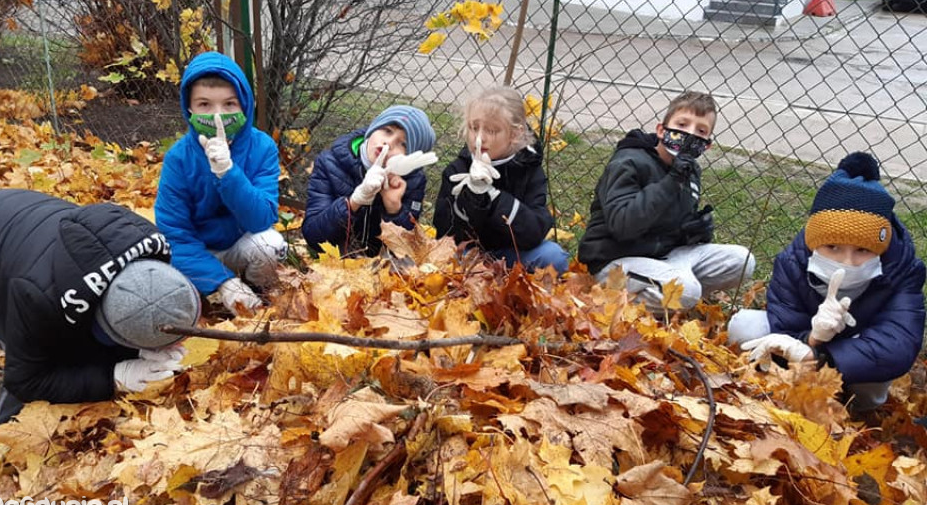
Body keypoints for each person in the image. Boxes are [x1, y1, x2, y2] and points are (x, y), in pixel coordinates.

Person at [0, 189, 202, 477]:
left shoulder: (151, 248)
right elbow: (26, 379)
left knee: (75, 348)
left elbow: (151, 302)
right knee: (35, 353)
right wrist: (113, 377)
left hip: (12, 223)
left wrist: (152, 345)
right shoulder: (38, 296)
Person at [728, 152, 925, 413]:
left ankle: (855, 413)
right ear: (814, 243)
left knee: (873, 383)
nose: (848, 261)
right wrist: (813, 338)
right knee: (746, 326)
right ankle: (765, 392)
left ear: (882, 247)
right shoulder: (793, 262)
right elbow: (785, 324)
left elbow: (897, 343)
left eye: (863, 250)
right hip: (805, 351)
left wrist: (820, 356)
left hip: (853, 357)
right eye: (832, 246)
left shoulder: (902, 269)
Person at [576, 90, 753, 310]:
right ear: (661, 130)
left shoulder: (690, 170)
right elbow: (622, 226)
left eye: (700, 130)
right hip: (615, 260)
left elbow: (667, 224)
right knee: (687, 291)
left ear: (707, 144)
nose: (690, 134)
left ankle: (666, 299)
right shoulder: (629, 162)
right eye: (682, 125)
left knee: (741, 261)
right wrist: (671, 182)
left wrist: (694, 231)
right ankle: (611, 304)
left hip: (662, 256)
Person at [155, 51, 287, 315]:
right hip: (199, 253)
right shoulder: (178, 159)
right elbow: (175, 234)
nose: (218, 116)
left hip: (242, 244)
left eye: (229, 104)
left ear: (245, 106)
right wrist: (223, 283)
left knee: (271, 244)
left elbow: (261, 219)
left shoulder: (262, 147)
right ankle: (220, 293)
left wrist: (227, 172)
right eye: (205, 105)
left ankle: (260, 296)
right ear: (189, 108)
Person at [433, 85, 569, 273]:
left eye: (492, 130)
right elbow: (444, 231)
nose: (480, 138)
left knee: (554, 257)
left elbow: (534, 232)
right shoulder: (457, 169)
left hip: (512, 254)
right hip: (468, 255)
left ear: (515, 134)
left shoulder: (529, 170)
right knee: (444, 260)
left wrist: (494, 197)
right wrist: (471, 197)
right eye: (474, 128)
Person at [302, 105, 438, 256]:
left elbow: (406, 251)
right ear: (373, 129)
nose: (389, 142)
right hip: (334, 264)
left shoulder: (412, 181)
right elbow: (313, 236)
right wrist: (353, 202)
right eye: (387, 131)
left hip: (381, 270)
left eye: (403, 144)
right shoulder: (331, 163)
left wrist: (394, 208)